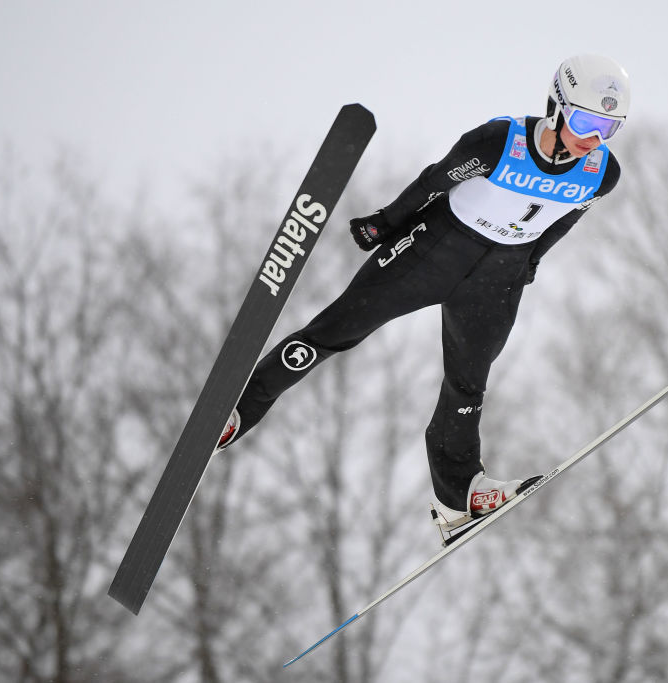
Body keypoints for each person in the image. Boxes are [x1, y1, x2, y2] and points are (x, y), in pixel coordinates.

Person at [217, 54, 629, 532]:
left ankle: (457, 498)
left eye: (608, 129)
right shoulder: (499, 142)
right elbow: (436, 180)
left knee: (468, 383)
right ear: (557, 106)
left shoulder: (603, 173)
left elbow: (564, 219)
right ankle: (238, 410)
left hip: (497, 277)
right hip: (436, 249)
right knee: (339, 329)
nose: (592, 139)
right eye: (585, 121)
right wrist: (387, 223)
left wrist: (529, 264)